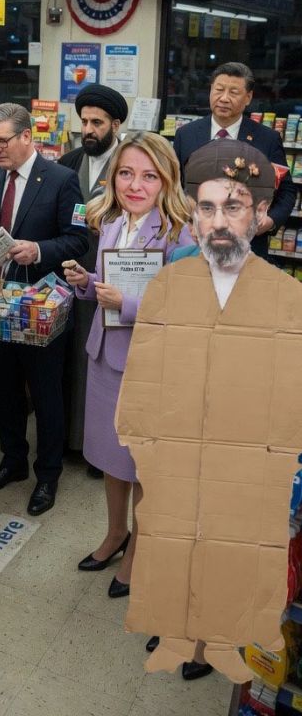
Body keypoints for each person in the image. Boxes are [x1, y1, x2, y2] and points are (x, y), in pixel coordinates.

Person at [116, 140, 302, 683]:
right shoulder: (172, 275)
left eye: (234, 207)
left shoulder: (282, 296)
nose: (219, 222)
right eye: (207, 207)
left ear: (260, 214)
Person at [63, 132, 194, 598]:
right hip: (106, 358)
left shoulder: (181, 234)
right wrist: (87, 282)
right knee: (111, 458)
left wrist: (129, 304)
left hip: (149, 367)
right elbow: (109, 283)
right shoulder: (114, 224)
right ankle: (116, 531)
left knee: (141, 466)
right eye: (125, 173)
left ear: (167, 180)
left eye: (148, 176)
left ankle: (140, 548)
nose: (135, 185)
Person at [0, 102, 87, 516]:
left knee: (45, 393)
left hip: (39, 306)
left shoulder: (61, 179)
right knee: (4, 388)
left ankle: (48, 474)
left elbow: (78, 239)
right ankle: (13, 461)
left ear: (27, 136)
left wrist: (39, 249)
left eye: (2, 142)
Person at [59, 83, 127, 474]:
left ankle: (98, 449)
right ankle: (70, 440)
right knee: (69, 359)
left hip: (109, 279)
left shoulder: (129, 167)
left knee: (100, 365)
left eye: (97, 123)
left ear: (115, 125)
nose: (88, 129)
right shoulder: (69, 162)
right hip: (71, 273)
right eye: (84, 121)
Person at [172, 61, 295, 259]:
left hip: (248, 247)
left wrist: (270, 222)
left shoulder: (267, 139)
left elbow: (287, 191)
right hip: (195, 243)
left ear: (248, 97)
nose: (224, 98)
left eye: (234, 92)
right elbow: (174, 185)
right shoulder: (186, 134)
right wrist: (186, 222)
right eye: (219, 90)